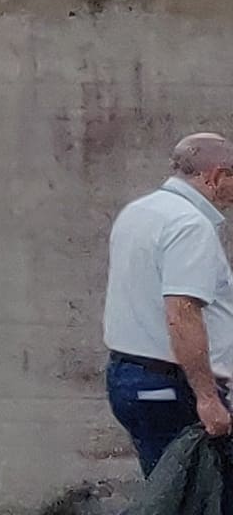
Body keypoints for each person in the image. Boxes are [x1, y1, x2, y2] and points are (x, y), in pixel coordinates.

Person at [106, 132, 233, 469]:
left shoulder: (138, 212)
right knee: (202, 490)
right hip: (172, 384)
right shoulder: (190, 225)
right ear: (216, 175)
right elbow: (183, 312)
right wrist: (207, 398)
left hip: (130, 376)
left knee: (167, 486)